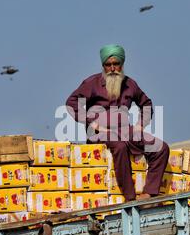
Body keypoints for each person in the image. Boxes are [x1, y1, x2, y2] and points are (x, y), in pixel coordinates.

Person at [66, 44, 170, 202]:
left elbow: (146, 104)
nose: (112, 68)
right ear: (103, 66)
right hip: (100, 134)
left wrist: (140, 125)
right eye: (108, 65)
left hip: (127, 131)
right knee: (120, 145)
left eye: (116, 64)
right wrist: (92, 124)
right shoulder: (92, 83)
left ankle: (149, 193)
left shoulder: (130, 84)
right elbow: (71, 102)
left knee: (161, 148)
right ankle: (130, 198)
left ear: (122, 64)